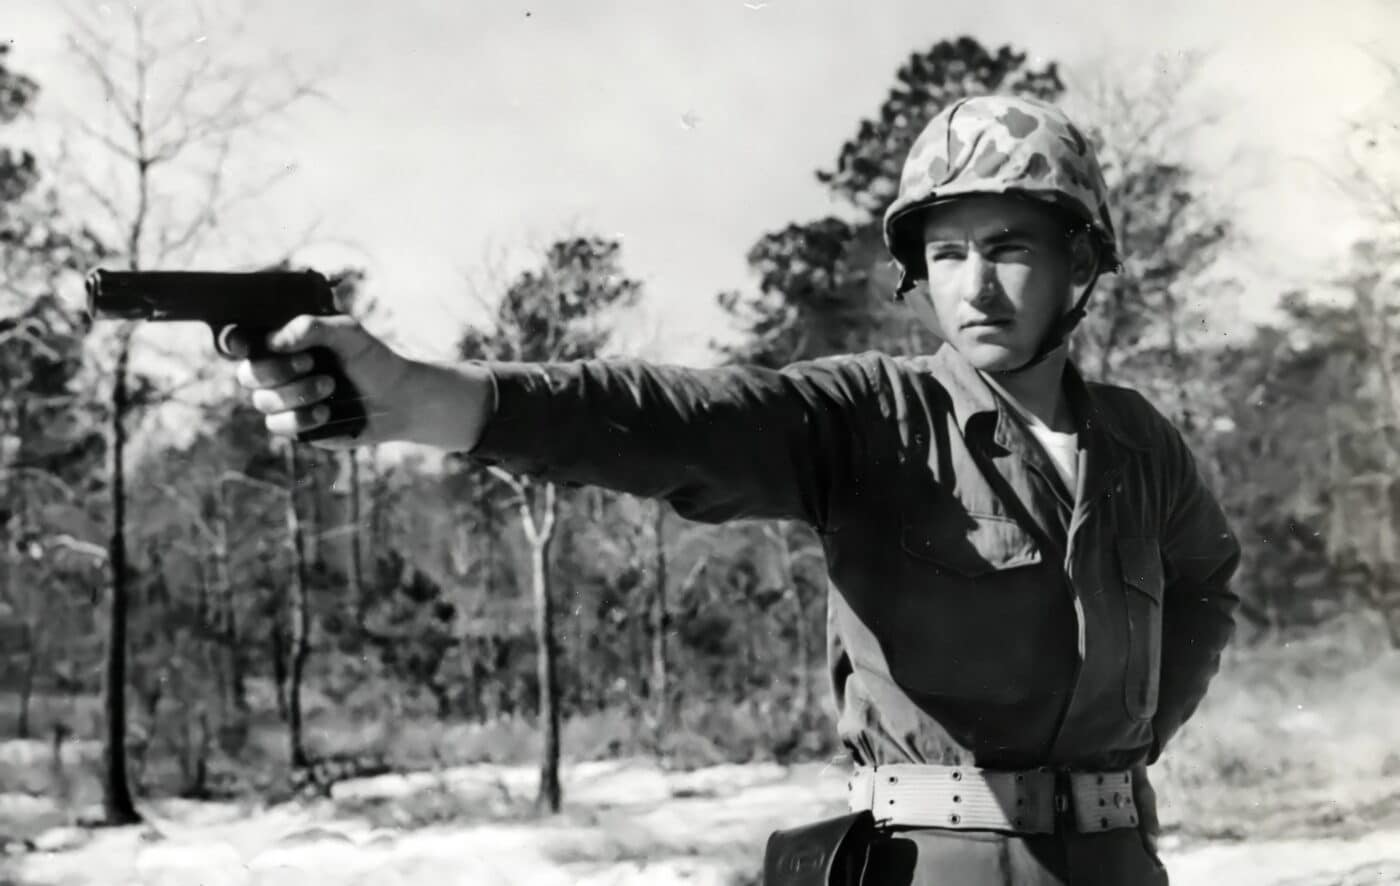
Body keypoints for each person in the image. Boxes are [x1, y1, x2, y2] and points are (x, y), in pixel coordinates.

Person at [227, 95, 1240, 885]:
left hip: (1115, 860)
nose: (973, 285)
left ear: (1078, 260)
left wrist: (1135, 733)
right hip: (935, 862)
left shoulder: (1138, 443)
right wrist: (421, 400)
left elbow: (1203, 582)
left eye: (1009, 247)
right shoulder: (873, 419)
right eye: (946, 251)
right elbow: (681, 419)